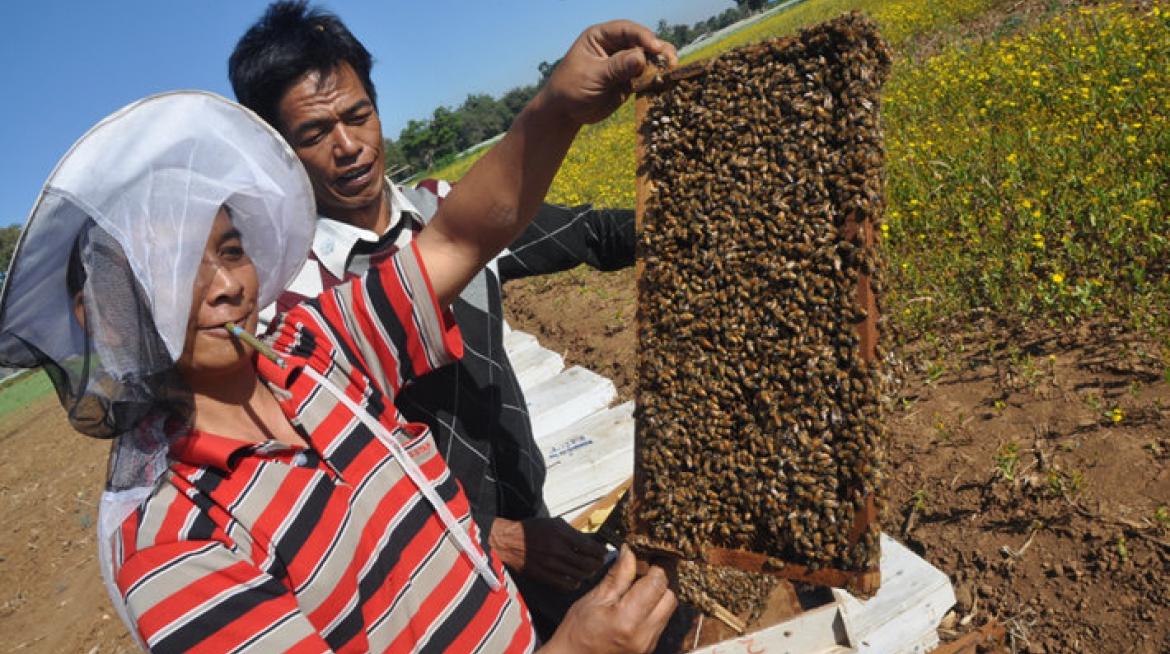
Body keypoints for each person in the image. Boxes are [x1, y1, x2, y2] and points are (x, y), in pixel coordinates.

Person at [0, 17, 677, 652]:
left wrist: (555, 106)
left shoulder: (317, 350)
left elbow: (462, 236)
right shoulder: (172, 546)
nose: (226, 286)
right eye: (174, 271)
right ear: (107, 313)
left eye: (231, 249)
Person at [228, 1, 638, 631]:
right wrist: (492, 534)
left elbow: (593, 233)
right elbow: (330, 495)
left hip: (542, 536)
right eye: (314, 134)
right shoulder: (293, 306)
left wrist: (706, 222)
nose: (348, 147)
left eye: (358, 116)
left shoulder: (448, 214)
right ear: (278, 153)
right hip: (434, 584)